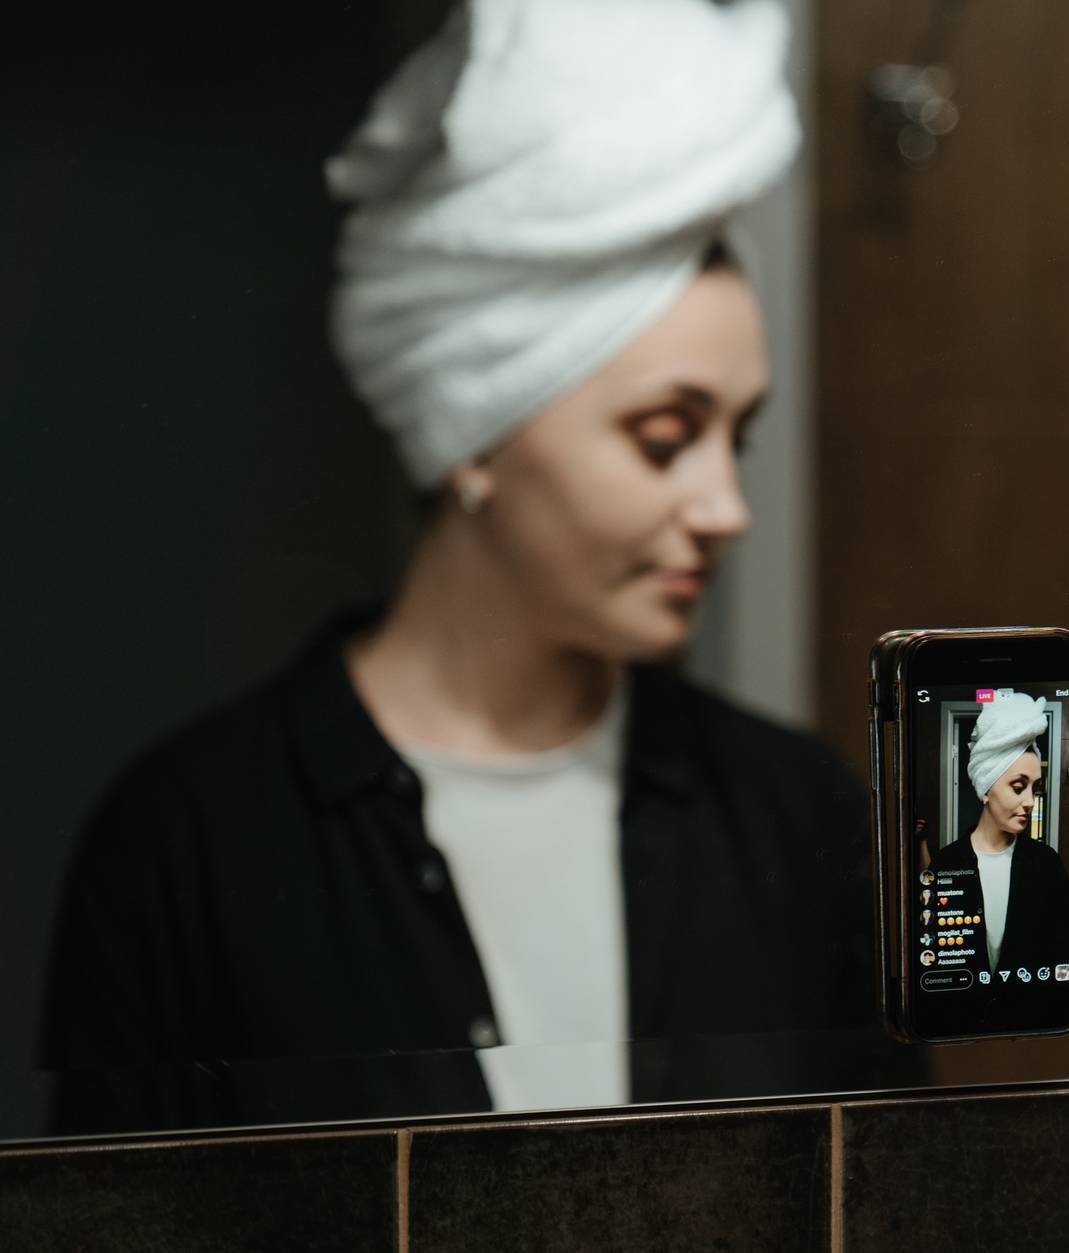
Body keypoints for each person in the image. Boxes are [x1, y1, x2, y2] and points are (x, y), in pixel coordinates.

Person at [39, 0, 883, 1129]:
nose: (725, 506)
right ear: (476, 435)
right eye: (664, 439)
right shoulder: (191, 845)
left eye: (741, 437)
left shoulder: (794, 819)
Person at [928, 692, 1069, 977]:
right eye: (1019, 787)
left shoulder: (1047, 865)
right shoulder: (946, 866)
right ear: (985, 789)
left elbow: (1062, 953)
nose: (1030, 801)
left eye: (1034, 787)